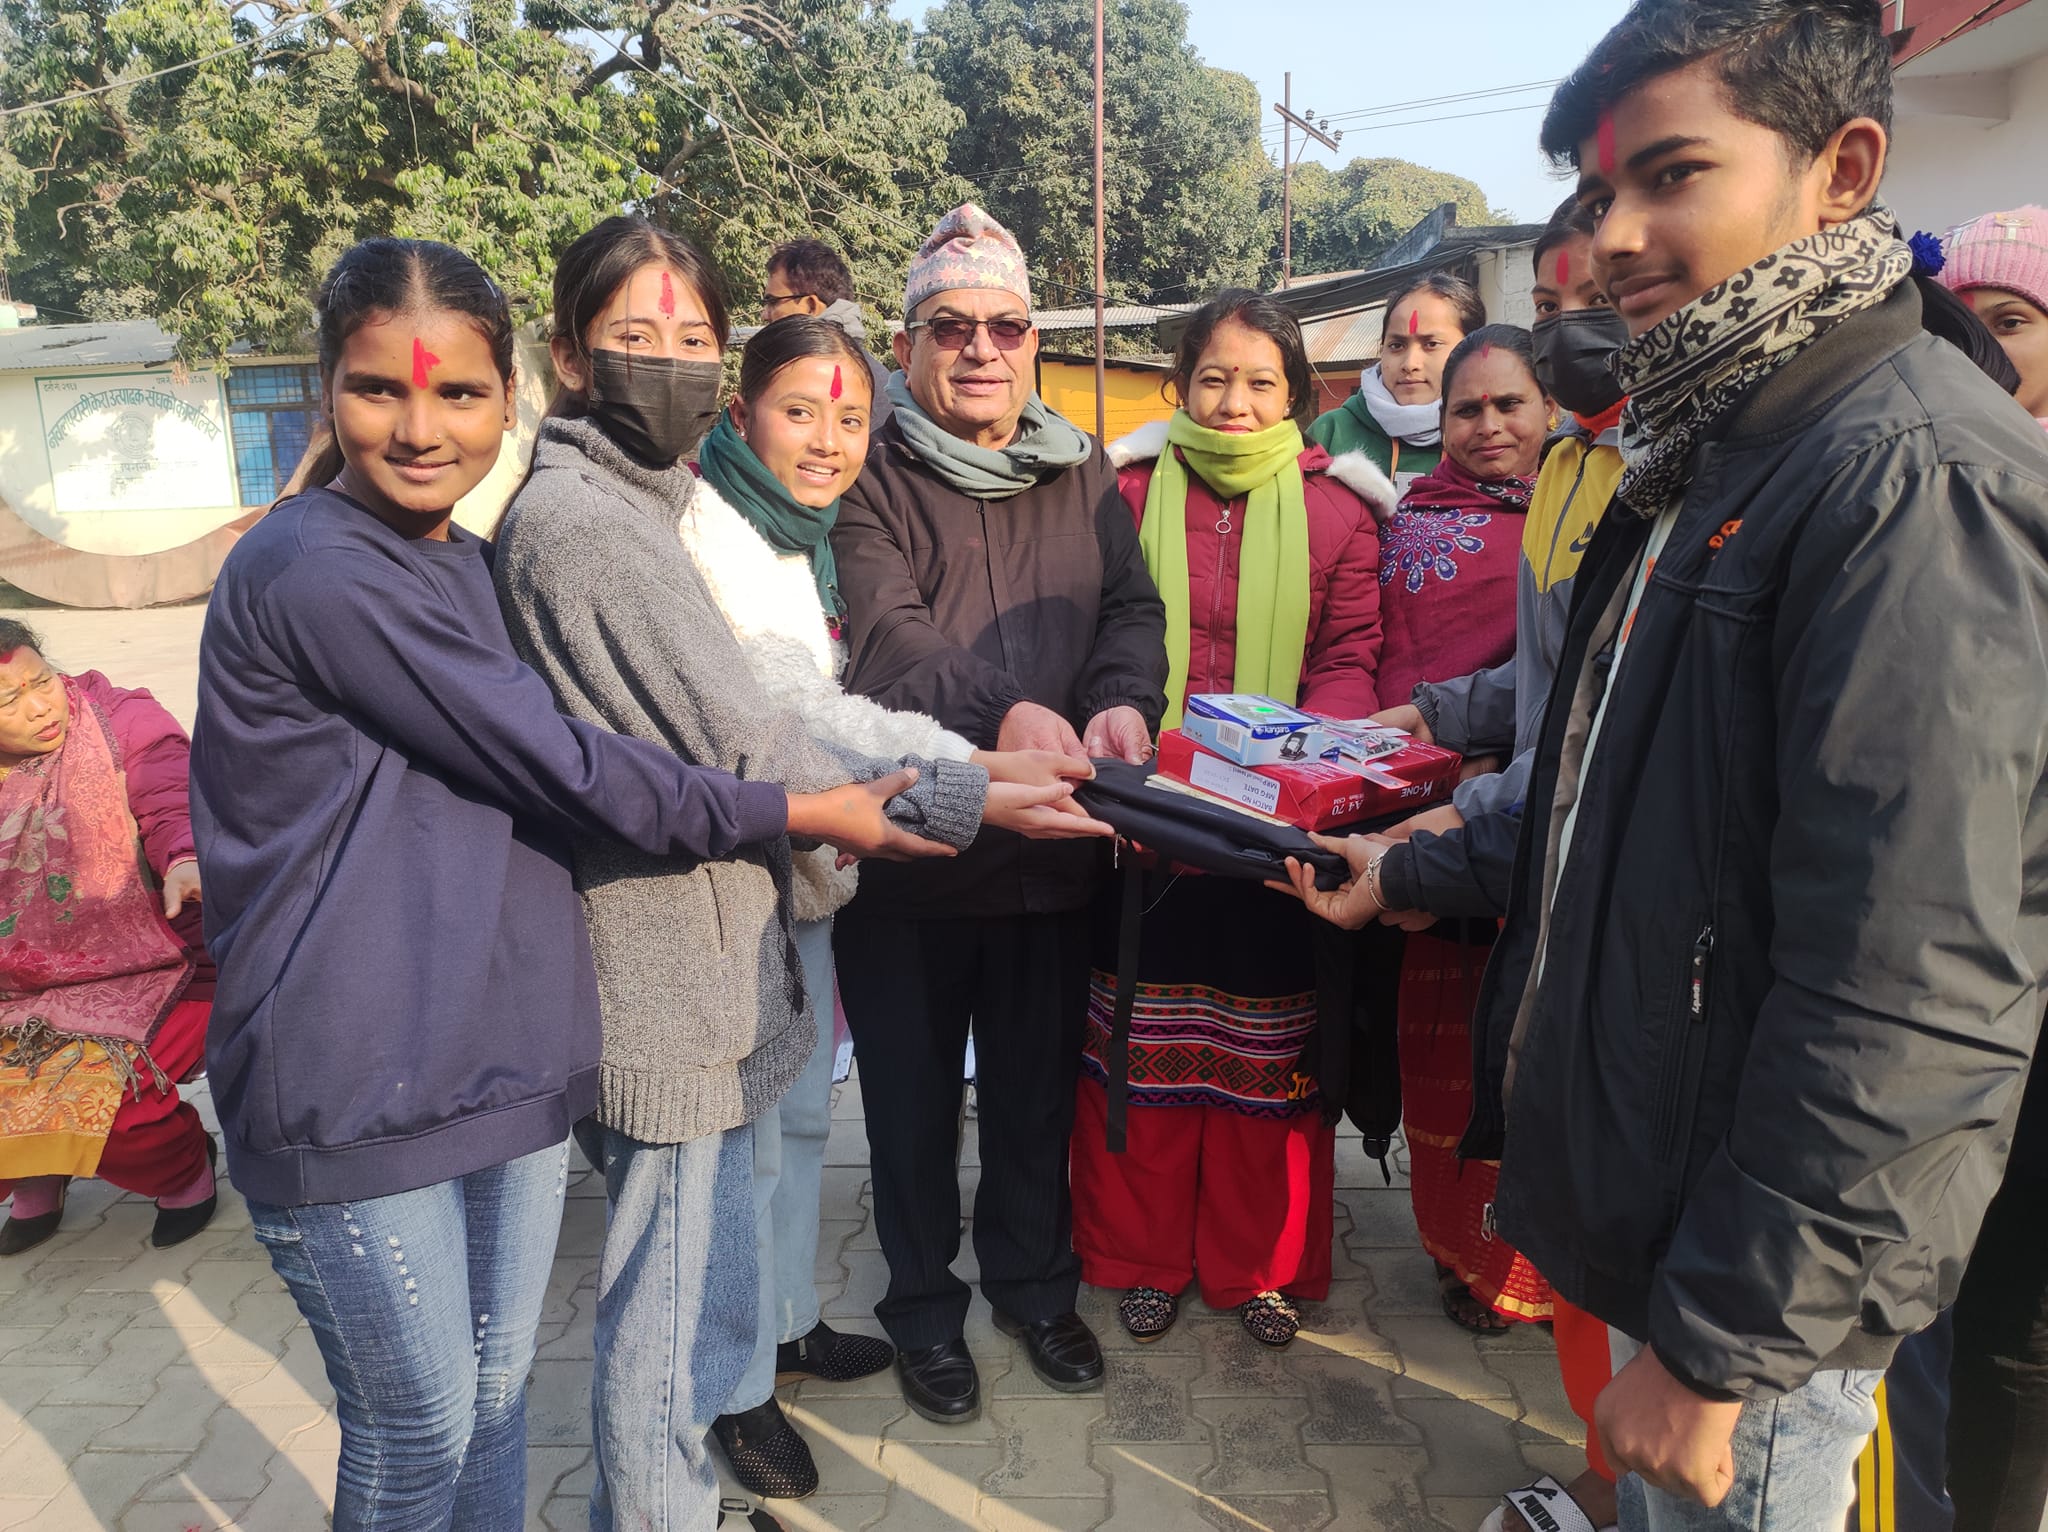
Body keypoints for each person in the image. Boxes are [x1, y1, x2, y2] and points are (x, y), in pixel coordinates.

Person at [1290, 1, 2048, 1521]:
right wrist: (1418, 865)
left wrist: (1717, 1347)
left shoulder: (1909, 477)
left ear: (1842, 168)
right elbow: (1619, 789)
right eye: (1596, 193)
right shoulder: (1719, 448)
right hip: (1678, 1204)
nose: (1613, 240)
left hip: (1748, 1273)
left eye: (1673, 175)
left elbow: (1910, 984)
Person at [191, 237, 933, 1532]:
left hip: (500, 1057)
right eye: (379, 389)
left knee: (492, 1403)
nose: (421, 428)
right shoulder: (319, 568)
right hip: (355, 1079)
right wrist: (798, 808)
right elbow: (572, 763)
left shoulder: (463, 557)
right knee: (418, 1435)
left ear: (509, 393)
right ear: (325, 389)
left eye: (458, 393)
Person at [492, 219, 1096, 1525]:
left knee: (747, 1195)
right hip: (669, 957)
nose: (825, 440)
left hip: (748, 920)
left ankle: (738, 1394)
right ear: (567, 353)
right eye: (635, 337)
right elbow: (762, 731)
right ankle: (690, 1462)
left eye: (690, 339)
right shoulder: (615, 526)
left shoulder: (689, 510)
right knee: (666, 1293)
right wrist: (972, 779)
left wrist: (972, 768)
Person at [829, 202, 1169, 1426]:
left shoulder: (1081, 469)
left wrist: (1121, 700)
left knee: (1033, 1093)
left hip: (1054, 852)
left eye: (1005, 325)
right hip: (914, 847)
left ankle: (1032, 1283)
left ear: (1032, 340)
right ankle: (922, 1304)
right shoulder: (867, 468)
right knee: (909, 1102)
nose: (980, 348)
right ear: (906, 344)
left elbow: (1130, 608)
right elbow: (889, 640)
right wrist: (1008, 711)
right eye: (949, 325)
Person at [1069, 289, 1393, 1348]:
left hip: (1274, 829)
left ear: (1294, 393)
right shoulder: (1122, 492)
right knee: (1144, 1042)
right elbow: (1102, 631)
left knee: (1267, 1053)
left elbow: (1348, 655)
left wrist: (1295, 769)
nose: (1235, 403)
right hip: (1148, 817)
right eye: (1213, 379)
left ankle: (1259, 1265)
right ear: (1179, 385)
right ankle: (1141, 1254)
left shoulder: (1341, 509)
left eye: (1260, 382)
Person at [1372, 324, 1557, 1338]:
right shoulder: (1409, 518)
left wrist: (1488, 768)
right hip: (1423, 816)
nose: (1487, 426)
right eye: (1465, 409)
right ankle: (1455, 1252)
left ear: (1549, 408)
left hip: (1539, 817)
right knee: (1442, 1044)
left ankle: (1537, 1266)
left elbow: (1562, 679)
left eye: (1508, 403)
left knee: (1530, 1046)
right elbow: (1392, 659)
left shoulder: (1591, 509)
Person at [0, 627, 216, 1256]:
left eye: (42, 682)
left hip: (165, 963)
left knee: (112, 1102)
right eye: (9, 701)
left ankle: (184, 1169)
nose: (40, 707)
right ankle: (37, 1172)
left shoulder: (124, 723)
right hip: (21, 984)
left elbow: (172, 800)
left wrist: (185, 858)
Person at [1307, 273, 1485, 494]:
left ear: (1472, 350)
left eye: (1431, 344)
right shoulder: (1330, 433)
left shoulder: (1489, 436)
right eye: (1396, 345)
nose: (1410, 364)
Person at [761, 237, 893, 429]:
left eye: (773, 302)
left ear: (811, 306)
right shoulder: (873, 375)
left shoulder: (810, 373)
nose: (764, 315)